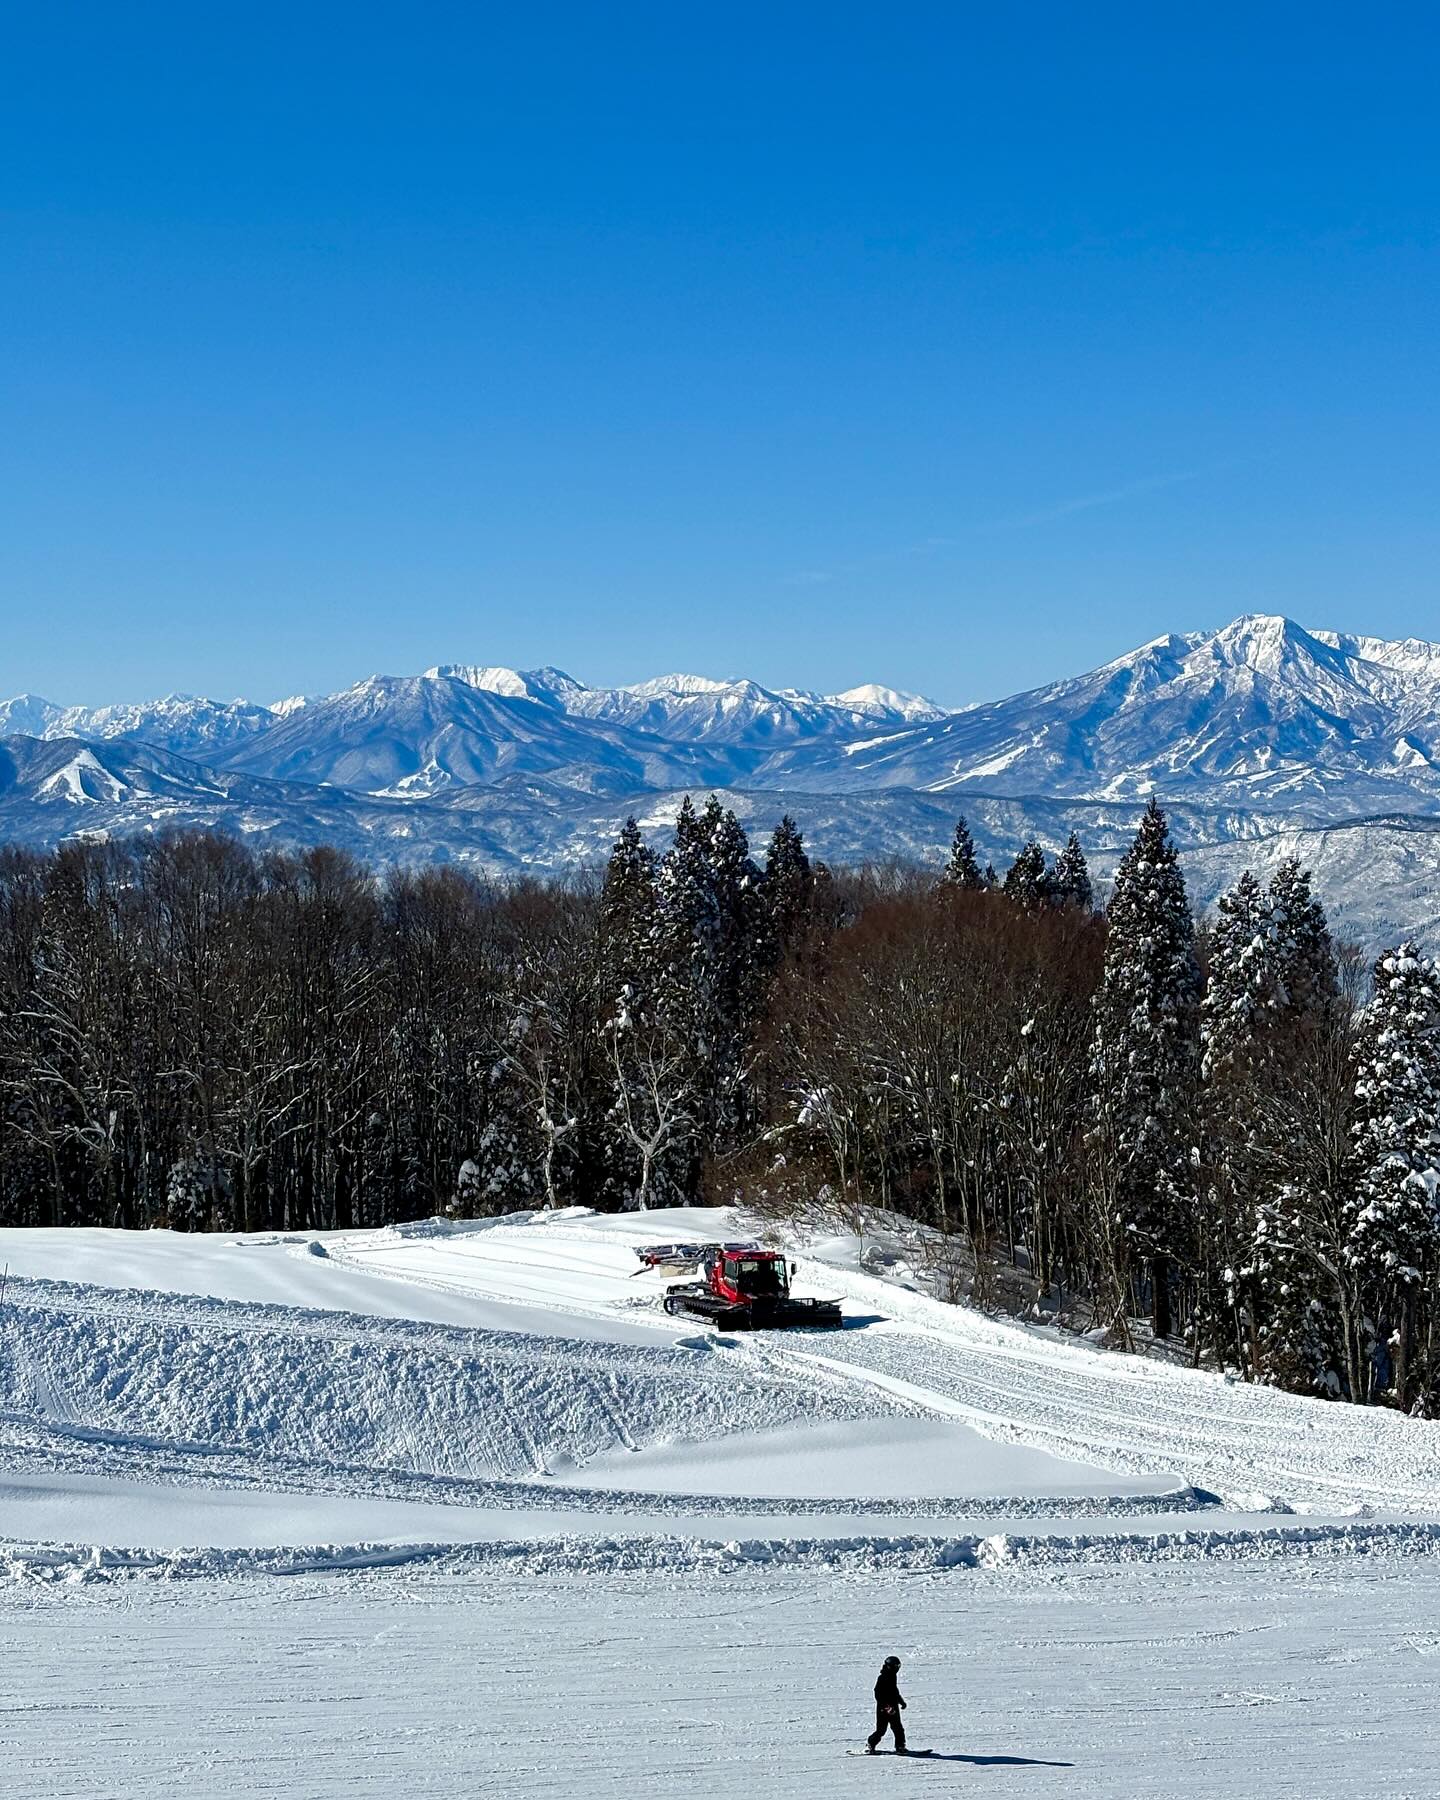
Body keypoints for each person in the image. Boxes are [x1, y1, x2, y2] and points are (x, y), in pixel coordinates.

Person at [866, 1655, 907, 1754]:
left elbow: (894, 1691)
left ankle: (900, 1746)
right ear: (890, 1666)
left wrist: (901, 1701)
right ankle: (871, 1744)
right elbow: (878, 1694)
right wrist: (886, 1707)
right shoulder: (882, 1678)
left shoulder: (893, 1676)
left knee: (898, 1728)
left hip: (893, 1707)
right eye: (896, 1666)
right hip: (883, 1709)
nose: (897, 1669)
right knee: (881, 1730)